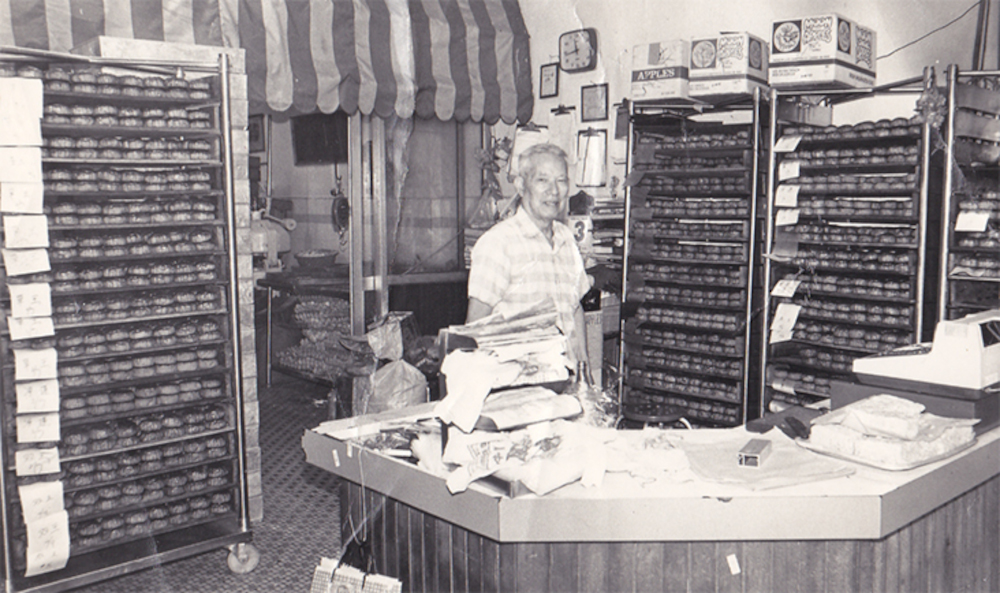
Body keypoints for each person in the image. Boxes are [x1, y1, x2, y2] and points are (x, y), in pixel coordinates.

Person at [466, 142, 592, 364]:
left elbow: (575, 308)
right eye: (542, 180)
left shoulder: (566, 239)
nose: (554, 191)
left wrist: (584, 371)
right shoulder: (499, 243)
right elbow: (475, 326)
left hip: (563, 382)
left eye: (561, 181)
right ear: (522, 186)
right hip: (520, 384)